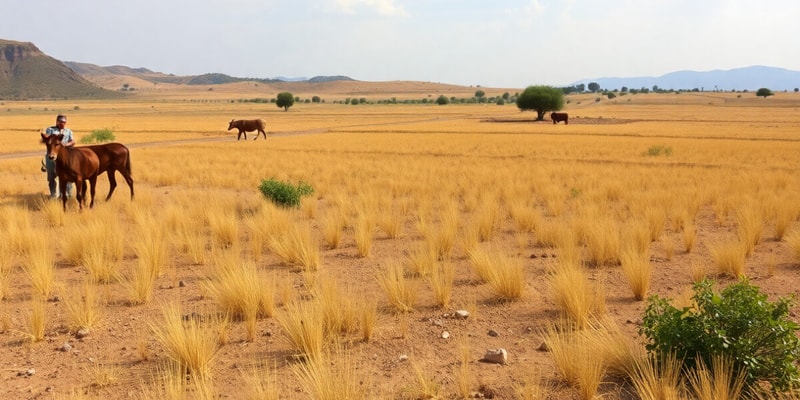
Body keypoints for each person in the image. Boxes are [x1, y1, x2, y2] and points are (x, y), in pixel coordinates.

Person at [43, 114, 76, 199]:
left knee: (67, 176)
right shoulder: (50, 130)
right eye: (61, 122)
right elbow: (47, 139)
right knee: (51, 176)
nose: (63, 124)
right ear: (57, 121)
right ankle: (53, 195)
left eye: (64, 122)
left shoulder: (68, 131)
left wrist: (65, 144)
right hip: (51, 156)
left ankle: (66, 195)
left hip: (64, 157)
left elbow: (73, 141)